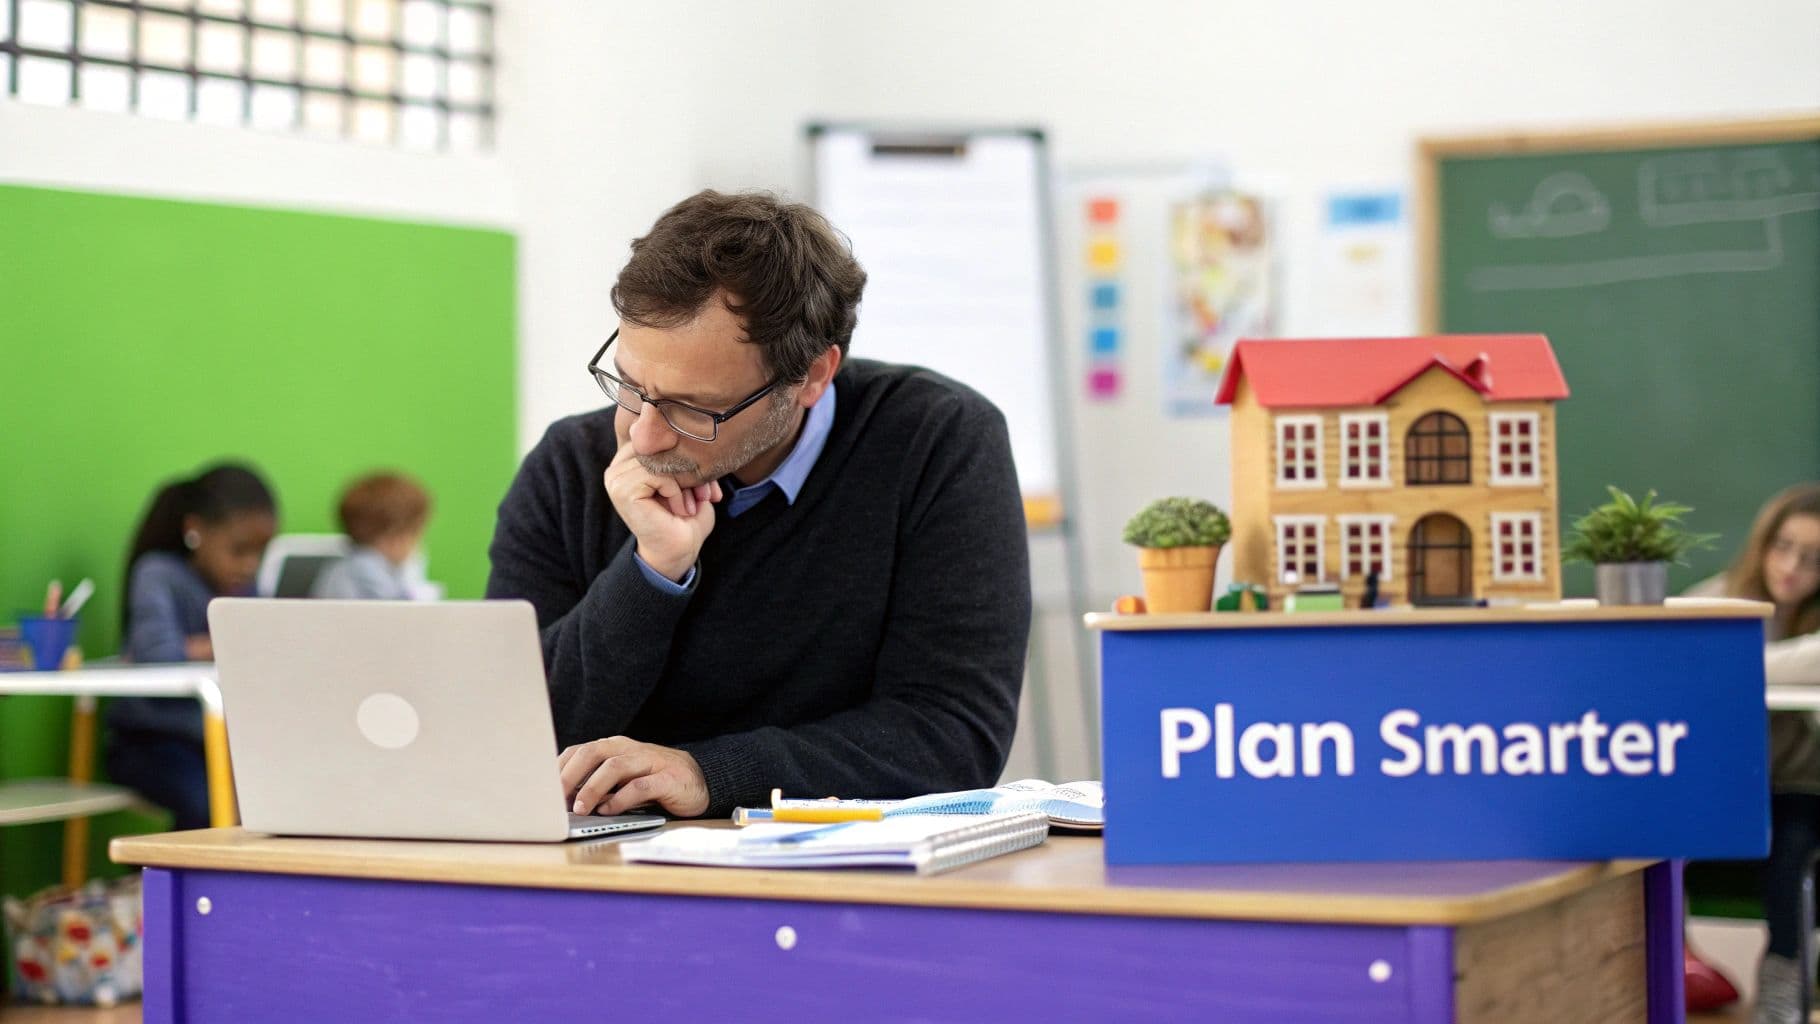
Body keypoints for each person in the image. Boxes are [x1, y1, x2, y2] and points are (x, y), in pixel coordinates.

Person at [485, 190, 1031, 820]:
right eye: (630, 386)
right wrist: (652, 574)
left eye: (695, 409)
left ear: (813, 377)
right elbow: (510, 733)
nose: (643, 436)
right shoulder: (568, 466)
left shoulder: (936, 441)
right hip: (598, 869)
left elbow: (954, 736)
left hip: (845, 879)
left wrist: (708, 774)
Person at [1688, 483, 1820, 1024]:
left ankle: (1783, 981)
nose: (1791, 567)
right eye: (1783, 547)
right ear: (1763, 544)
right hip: (1724, 787)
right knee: (1649, 835)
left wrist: (1733, 666)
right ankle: (1674, 963)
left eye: (1812, 559)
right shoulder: (1715, 601)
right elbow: (1675, 649)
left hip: (1799, 793)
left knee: (1794, 848)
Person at [108, 462, 278, 831]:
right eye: (238, 550)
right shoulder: (158, 574)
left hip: (222, 740)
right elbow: (157, 657)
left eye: (259, 553)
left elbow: (261, 649)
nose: (250, 565)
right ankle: (181, 884)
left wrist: (198, 645)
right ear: (195, 530)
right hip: (153, 742)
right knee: (206, 802)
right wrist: (217, 645)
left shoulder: (244, 588)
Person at [311, 471, 434, 600]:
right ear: (395, 540)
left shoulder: (342, 571)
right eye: (414, 534)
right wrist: (410, 569)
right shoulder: (366, 578)